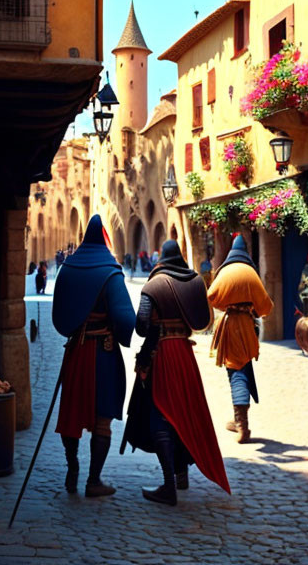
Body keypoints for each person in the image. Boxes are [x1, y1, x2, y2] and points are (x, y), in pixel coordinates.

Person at [122, 240, 230, 505]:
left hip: (162, 355)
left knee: (163, 413)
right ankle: (182, 475)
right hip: (184, 352)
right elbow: (203, 321)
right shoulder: (194, 281)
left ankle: (169, 485)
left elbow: (142, 326)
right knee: (183, 410)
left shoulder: (154, 285)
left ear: (161, 259)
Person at [53, 215, 136, 497]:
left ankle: (72, 466)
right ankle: (94, 480)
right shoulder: (111, 272)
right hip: (103, 352)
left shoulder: (67, 268)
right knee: (102, 418)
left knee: (72, 412)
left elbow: (59, 316)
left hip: (77, 351)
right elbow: (126, 320)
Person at [207, 234, 273, 443]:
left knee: (235, 372)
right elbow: (266, 307)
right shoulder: (251, 273)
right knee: (241, 369)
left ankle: (242, 425)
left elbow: (211, 297)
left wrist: (228, 305)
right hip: (246, 325)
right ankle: (239, 421)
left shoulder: (225, 272)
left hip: (229, 326)